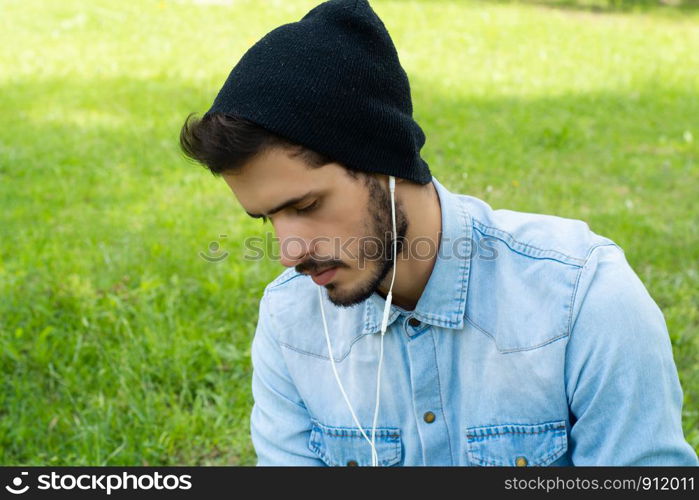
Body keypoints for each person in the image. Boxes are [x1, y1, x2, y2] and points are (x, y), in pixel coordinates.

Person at [179, 0, 698, 466]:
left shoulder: (585, 298)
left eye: (307, 205)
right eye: (267, 219)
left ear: (384, 162)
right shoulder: (291, 322)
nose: (289, 252)